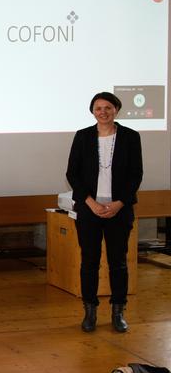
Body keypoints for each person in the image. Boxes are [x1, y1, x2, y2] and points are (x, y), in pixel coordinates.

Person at [66, 92, 142, 333]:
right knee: (89, 261)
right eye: (98, 108)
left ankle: (118, 311)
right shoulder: (83, 136)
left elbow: (135, 174)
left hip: (119, 210)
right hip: (90, 209)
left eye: (108, 107)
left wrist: (120, 203)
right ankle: (90, 312)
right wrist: (90, 202)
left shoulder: (130, 137)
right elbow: (72, 174)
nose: (103, 112)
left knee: (118, 262)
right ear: (92, 111)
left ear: (116, 109)